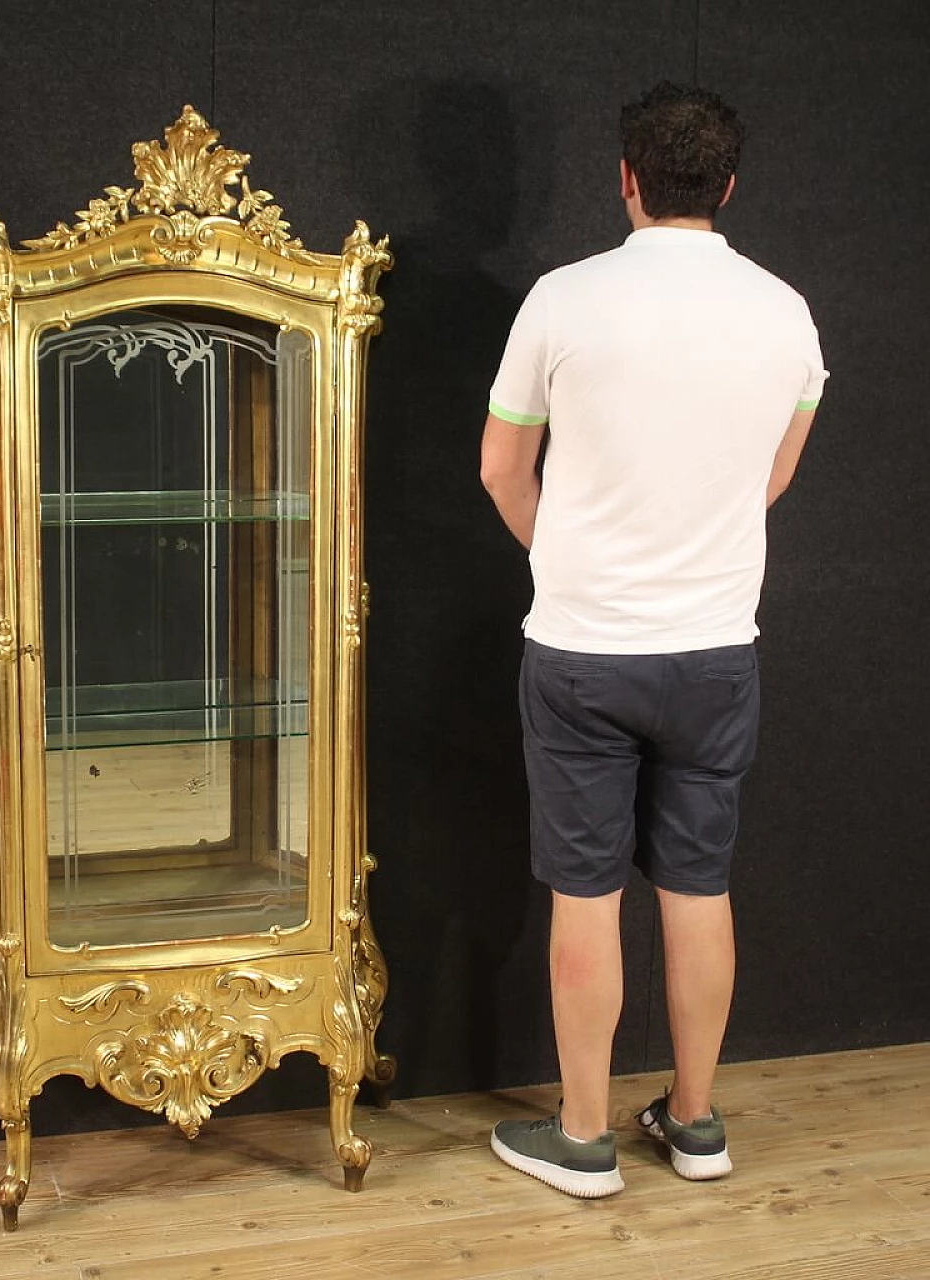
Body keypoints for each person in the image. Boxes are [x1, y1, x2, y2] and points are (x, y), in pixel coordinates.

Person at [480, 81, 827, 1198]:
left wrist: (564, 556)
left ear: (625, 178)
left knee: (584, 895)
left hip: (581, 647)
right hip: (715, 649)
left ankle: (582, 1137)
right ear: (726, 185)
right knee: (696, 885)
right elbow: (770, 475)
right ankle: (692, 1121)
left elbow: (500, 469)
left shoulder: (560, 299)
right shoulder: (785, 311)